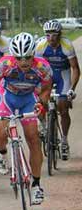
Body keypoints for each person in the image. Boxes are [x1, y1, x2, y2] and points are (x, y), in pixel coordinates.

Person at [0, 33, 53, 204]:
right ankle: (2, 153)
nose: (24, 62)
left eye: (28, 57)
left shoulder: (43, 67)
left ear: (33, 54)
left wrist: (42, 102)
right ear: (13, 56)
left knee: (33, 139)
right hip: (7, 97)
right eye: (19, 58)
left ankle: (36, 185)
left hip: (28, 99)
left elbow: (47, 88)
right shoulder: (5, 64)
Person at [36, 19, 80, 160]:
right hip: (48, 74)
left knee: (63, 106)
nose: (51, 38)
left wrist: (72, 89)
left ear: (60, 34)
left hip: (63, 75)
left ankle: (65, 140)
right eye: (48, 35)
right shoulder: (41, 46)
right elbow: (35, 68)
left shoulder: (67, 45)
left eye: (54, 35)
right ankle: (44, 125)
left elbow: (75, 69)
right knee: (40, 101)